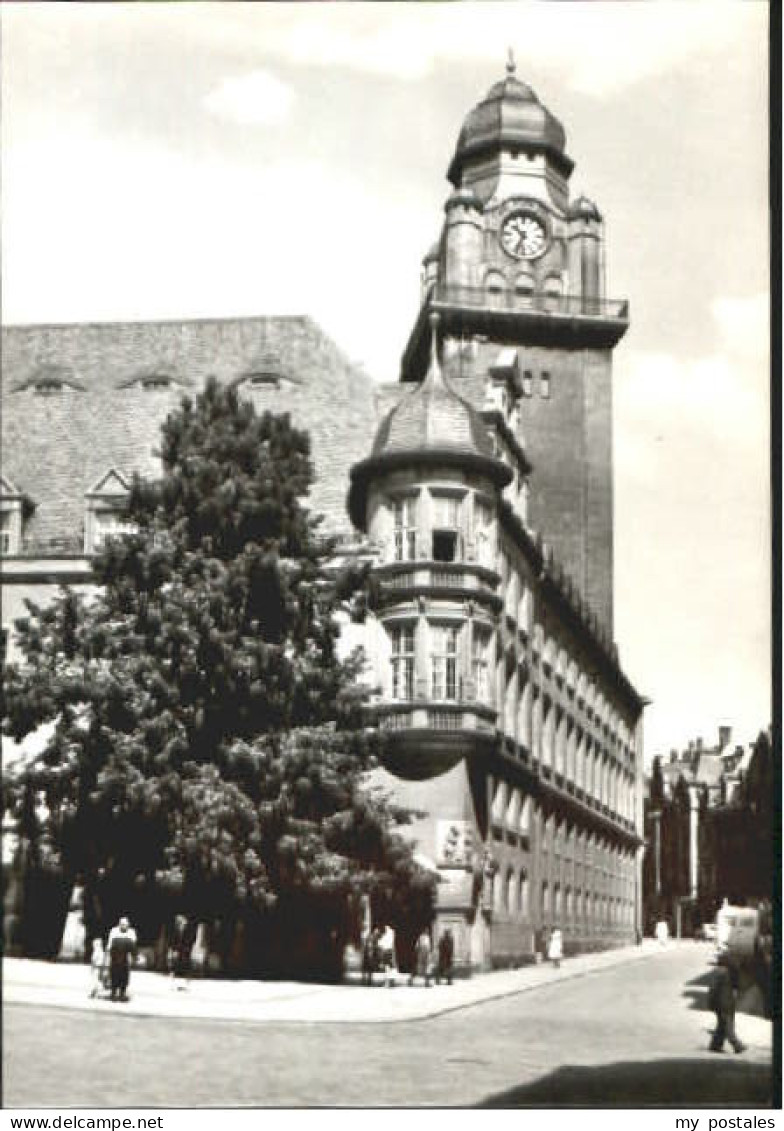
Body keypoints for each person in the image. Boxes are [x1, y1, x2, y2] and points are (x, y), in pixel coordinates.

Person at [708, 953, 746, 1054]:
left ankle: (715, 1045)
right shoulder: (723, 972)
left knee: (722, 1024)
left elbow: (714, 989)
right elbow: (714, 988)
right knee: (727, 1025)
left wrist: (711, 1003)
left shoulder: (723, 971)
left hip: (724, 1003)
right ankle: (737, 1045)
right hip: (724, 1003)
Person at [106, 916, 138, 1002]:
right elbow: (110, 944)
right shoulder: (114, 931)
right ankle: (113, 992)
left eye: (125, 925)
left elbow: (133, 946)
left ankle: (122, 993)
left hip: (125, 957)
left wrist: (134, 957)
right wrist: (108, 955)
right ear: (119, 924)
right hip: (115, 956)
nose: (124, 926)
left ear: (128, 925)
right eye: (122, 924)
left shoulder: (131, 932)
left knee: (124, 976)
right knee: (114, 975)